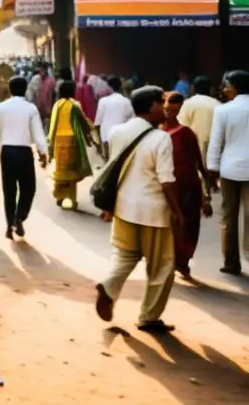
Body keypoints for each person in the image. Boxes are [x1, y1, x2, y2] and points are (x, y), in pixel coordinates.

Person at [95, 86, 183, 334]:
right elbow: (166, 180)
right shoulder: (160, 138)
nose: (165, 109)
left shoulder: (117, 131)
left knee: (124, 255)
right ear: (152, 106)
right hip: (153, 211)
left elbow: (117, 170)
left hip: (124, 208)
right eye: (162, 103)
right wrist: (177, 212)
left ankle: (108, 285)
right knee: (162, 267)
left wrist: (110, 207)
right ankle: (149, 316)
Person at [162, 92, 212, 280]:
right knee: (169, 226)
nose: (168, 112)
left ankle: (182, 262)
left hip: (188, 190)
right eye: (166, 108)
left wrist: (206, 197)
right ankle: (170, 261)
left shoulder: (186, 133)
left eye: (173, 109)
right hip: (166, 189)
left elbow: (200, 166)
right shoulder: (156, 133)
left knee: (188, 226)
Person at [0, 75, 48, 240]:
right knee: (28, 188)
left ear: (10, 89)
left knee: (9, 190)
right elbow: (38, 133)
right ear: (25, 89)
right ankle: (20, 216)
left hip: (7, 152)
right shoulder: (30, 109)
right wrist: (43, 153)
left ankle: (9, 225)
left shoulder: (0, 108)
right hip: (24, 152)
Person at [206, 70, 249, 276]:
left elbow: (216, 142)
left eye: (227, 85)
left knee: (229, 217)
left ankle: (231, 263)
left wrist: (212, 170)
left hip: (230, 169)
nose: (224, 89)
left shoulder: (223, 110)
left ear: (235, 87)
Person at [48, 80, 96, 210]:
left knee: (60, 170)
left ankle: (59, 196)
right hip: (72, 141)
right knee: (72, 172)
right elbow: (83, 121)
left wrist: (50, 143)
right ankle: (72, 200)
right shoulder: (74, 105)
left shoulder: (57, 105)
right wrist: (91, 132)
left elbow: (52, 125)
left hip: (58, 140)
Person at [177, 76, 220, 166]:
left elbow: (180, 126)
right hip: (214, 149)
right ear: (210, 88)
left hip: (193, 149)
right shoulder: (217, 104)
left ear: (193, 88)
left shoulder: (188, 103)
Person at [95, 76, 135, 160]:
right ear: (121, 87)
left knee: (109, 161)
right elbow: (132, 120)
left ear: (108, 87)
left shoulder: (102, 101)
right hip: (123, 136)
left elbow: (97, 123)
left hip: (106, 137)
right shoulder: (126, 101)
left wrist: (98, 141)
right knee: (121, 161)